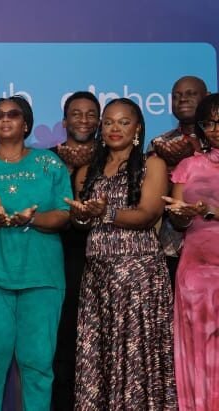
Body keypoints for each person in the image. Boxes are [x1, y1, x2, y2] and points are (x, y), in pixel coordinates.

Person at [0, 95, 71, 411]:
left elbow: (63, 215)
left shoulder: (49, 165)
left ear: (26, 123)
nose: (5, 119)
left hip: (42, 279)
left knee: (37, 366)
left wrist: (33, 217)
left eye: (13, 114)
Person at [67, 98, 175, 409]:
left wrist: (107, 212)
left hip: (138, 279)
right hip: (98, 280)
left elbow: (148, 215)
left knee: (135, 356)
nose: (116, 128)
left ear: (138, 128)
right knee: (99, 355)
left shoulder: (152, 164)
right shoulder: (88, 170)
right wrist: (82, 213)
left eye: (124, 122)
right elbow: (81, 220)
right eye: (110, 122)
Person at [163, 93, 219, 410]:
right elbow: (177, 214)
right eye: (209, 123)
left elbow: (209, 209)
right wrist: (181, 215)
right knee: (201, 354)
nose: (215, 129)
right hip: (197, 273)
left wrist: (212, 210)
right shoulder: (188, 165)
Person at [49, 91, 100, 411]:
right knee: (61, 345)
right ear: (64, 121)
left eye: (91, 113)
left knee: (96, 344)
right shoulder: (47, 159)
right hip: (53, 258)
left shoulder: (111, 159)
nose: (83, 119)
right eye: (76, 113)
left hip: (97, 258)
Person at [149, 76, 210, 288]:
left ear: (207, 97)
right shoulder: (159, 144)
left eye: (190, 94)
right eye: (176, 96)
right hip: (172, 247)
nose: (182, 99)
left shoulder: (215, 141)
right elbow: (151, 199)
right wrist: (170, 171)